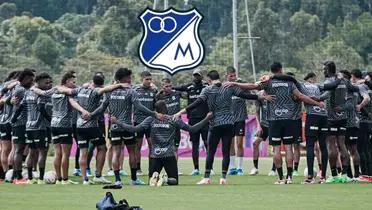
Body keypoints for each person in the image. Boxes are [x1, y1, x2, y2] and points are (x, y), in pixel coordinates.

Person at [230, 62, 325, 184]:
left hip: (274, 120)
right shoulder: (290, 83)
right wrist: (317, 104)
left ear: (271, 70)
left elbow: (252, 86)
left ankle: (280, 178)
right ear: (281, 69)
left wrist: (235, 83)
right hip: (289, 119)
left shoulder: (267, 82)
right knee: (288, 147)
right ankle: (289, 177)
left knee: (276, 149)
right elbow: (301, 96)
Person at [175, 70, 273, 185]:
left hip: (215, 124)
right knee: (226, 152)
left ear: (208, 79)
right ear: (219, 77)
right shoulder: (228, 86)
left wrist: (180, 112)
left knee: (210, 151)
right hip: (229, 123)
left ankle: (206, 178)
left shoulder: (207, 89)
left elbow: (196, 103)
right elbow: (244, 95)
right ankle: (223, 178)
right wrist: (260, 97)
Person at [111, 100, 212, 186]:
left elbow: (134, 129)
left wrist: (118, 122)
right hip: (169, 155)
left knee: (152, 182)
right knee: (174, 181)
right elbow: (192, 129)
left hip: (155, 155)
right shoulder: (173, 119)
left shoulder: (151, 119)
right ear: (166, 108)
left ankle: (159, 177)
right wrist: (206, 119)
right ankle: (165, 179)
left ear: (155, 110)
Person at [90, 68, 162, 187]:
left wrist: (91, 115)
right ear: (123, 78)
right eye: (129, 77)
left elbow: (102, 108)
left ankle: (117, 179)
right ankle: (134, 179)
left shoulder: (109, 91)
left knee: (116, 152)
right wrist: (154, 113)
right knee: (132, 152)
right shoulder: (130, 91)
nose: (130, 79)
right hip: (127, 127)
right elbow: (139, 107)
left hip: (114, 127)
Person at [69, 74, 124, 184]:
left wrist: (81, 110)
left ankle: (85, 179)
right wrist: (120, 84)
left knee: (83, 152)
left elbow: (70, 98)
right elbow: (107, 89)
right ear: (101, 83)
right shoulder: (95, 92)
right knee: (102, 148)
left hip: (79, 126)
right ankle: (98, 175)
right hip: (92, 126)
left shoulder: (80, 89)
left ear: (91, 81)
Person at [173, 69, 209, 176]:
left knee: (207, 143)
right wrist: (170, 88)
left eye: (198, 75)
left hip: (204, 119)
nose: (196, 77)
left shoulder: (206, 87)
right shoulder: (189, 87)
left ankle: (209, 168)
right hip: (193, 119)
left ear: (202, 77)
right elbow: (177, 88)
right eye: (194, 76)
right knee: (195, 144)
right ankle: (196, 169)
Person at [21, 73, 53, 184]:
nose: (49, 85)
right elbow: (41, 109)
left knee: (31, 151)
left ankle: (30, 179)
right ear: (39, 83)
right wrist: (51, 120)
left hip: (29, 127)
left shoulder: (28, 92)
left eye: (50, 82)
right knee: (42, 152)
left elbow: (21, 107)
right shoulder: (41, 94)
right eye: (46, 83)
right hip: (40, 127)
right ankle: (40, 179)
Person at [8, 69, 35, 184]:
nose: (32, 81)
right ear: (23, 79)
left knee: (19, 149)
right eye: (30, 79)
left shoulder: (19, 89)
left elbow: (11, 101)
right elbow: (15, 103)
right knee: (19, 150)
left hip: (19, 123)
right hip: (21, 123)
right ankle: (18, 177)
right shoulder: (21, 90)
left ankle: (15, 175)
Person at [133, 71, 157, 176]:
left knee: (152, 146)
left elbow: (156, 105)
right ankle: (138, 169)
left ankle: (152, 168)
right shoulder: (135, 90)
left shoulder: (154, 91)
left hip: (150, 123)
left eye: (150, 79)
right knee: (137, 146)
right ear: (141, 80)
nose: (149, 81)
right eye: (147, 79)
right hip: (138, 121)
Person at [225, 67, 247, 176]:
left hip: (240, 118)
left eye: (234, 75)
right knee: (230, 144)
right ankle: (232, 167)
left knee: (239, 144)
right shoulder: (224, 86)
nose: (233, 78)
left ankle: (240, 168)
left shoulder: (241, 84)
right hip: (228, 119)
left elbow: (251, 89)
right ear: (226, 75)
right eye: (231, 76)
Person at [350, 69, 371, 178]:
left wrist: (359, 106)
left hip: (361, 121)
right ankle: (368, 173)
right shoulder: (367, 86)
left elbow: (366, 99)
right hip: (368, 122)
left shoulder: (360, 87)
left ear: (353, 76)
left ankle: (364, 174)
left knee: (360, 149)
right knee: (366, 149)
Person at [0, 71, 20, 178]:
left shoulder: (4, 88)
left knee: (4, 149)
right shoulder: (16, 88)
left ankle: (4, 173)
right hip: (12, 122)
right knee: (14, 148)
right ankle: (11, 173)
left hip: (2, 121)